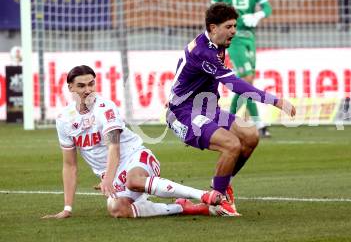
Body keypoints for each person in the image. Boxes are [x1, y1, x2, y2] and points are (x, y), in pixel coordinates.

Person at [43, 65, 225, 219]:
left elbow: (113, 147)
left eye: (91, 84)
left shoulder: (105, 108)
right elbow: (70, 166)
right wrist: (67, 208)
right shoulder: (64, 120)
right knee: (117, 209)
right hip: (114, 176)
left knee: (134, 180)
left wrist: (107, 178)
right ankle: (183, 207)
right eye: (81, 86)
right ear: (70, 88)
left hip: (136, 157)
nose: (88, 90)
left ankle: (204, 195)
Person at [166, 3, 295, 216]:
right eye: (229, 26)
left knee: (251, 135)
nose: (234, 31)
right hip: (184, 114)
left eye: (235, 25)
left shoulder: (215, 44)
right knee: (232, 145)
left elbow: (183, 69)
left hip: (206, 108)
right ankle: (217, 199)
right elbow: (235, 84)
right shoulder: (204, 51)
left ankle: (223, 185)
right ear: (213, 27)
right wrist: (275, 101)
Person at [211, 0, 272, 137]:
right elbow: (212, 10)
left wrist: (257, 15)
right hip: (234, 38)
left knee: (248, 81)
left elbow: (267, 7)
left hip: (250, 38)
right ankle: (241, 122)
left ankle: (247, 122)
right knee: (246, 79)